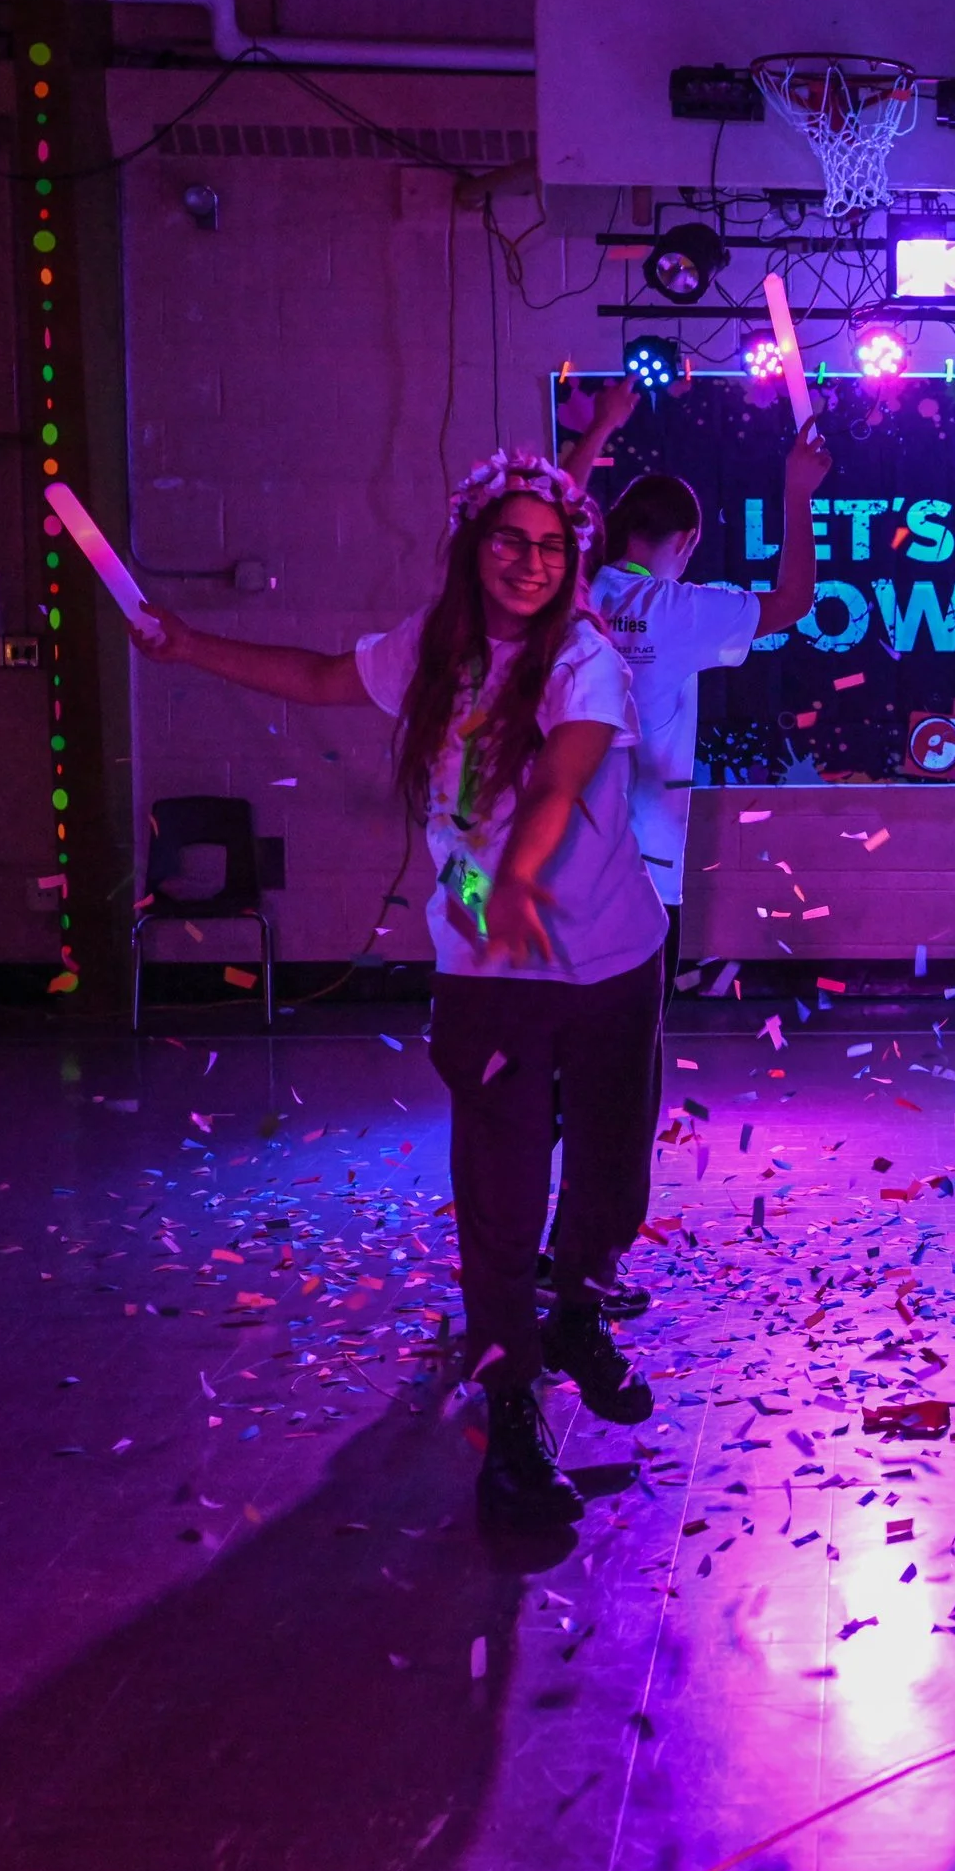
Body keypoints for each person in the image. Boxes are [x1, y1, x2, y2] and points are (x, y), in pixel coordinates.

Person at [135, 451, 668, 1532]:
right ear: (474, 547)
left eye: (550, 548)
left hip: (611, 957)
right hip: (490, 971)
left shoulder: (583, 658)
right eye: (509, 541)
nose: (528, 563)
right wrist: (186, 645)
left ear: (573, 565)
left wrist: (521, 870)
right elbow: (322, 674)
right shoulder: (433, 655)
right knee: (502, 1193)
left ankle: (576, 1306)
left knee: (611, 1179)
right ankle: (510, 1410)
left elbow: (564, 774)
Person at [561, 380, 832, 987]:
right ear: (685, 543)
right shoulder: (677, 609)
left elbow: (556, 510)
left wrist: (601, 426)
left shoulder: (573, 588)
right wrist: (796, 494)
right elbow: (792, 601)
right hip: (647, 873)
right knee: (632, 1051)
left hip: (563, 860)